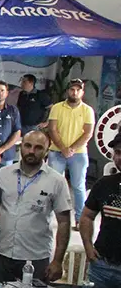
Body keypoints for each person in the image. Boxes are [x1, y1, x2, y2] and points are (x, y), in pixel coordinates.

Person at [0, 130, 71, 283]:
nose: (31, 151)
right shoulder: (2, 175)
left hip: (36, 258)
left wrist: (58, 261)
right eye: (27, 145)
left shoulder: (57, 181)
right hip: (3, 254)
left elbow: (64, 222)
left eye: (38, 147)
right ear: (21, 147)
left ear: (47, 150)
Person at [46, 78, 94, 220]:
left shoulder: (87, 110)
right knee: (53, 185)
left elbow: (88, 133)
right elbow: (52, 129)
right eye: (72, 89)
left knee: (78, 186)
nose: (75, 92)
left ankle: (80, 219)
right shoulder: (57, 107)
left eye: (78, 90)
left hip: (78, 154)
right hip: (56, 151)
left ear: (82, 92)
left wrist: (71, 149)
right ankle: (47, 217)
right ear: (68, 91)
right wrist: (63, 148)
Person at [79, 135, 121, 288]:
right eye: (117, 152)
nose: (120, 157)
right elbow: (87, 217)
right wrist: (88, 247)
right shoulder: (104, 184)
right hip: (101, 267)